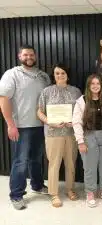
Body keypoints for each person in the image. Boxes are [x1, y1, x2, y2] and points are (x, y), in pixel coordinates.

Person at [0, 45, 50, 210]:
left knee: (36, 159)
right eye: (25, 54)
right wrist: (10, 125)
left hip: (40, 125)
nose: (29, 57)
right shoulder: (12, 74)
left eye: (31, 54)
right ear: (19, 56)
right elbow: (4, 99)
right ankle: (16, 195)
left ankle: (37, 185)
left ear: (35, 56)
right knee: (20, 162)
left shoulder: (43, 76)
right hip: (21, 127)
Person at [37, 63, 81, 207]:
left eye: (63, 73)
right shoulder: (46, 91)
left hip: (71, 133)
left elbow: (81, 111)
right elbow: (39, 111)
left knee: (71, 163)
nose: (60, 75)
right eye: (57, 73)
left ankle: (70, 189)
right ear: (53, 75)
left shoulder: (76, 91)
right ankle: (54, 193)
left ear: (67, 75)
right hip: (52, 133)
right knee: (54, 163)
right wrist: (49, 121)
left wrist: (74, 121)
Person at [72, 74, 102, 208]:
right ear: (88, 86)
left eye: (98, 84)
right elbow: (76, 122)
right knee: (89, 167)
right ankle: (90, 192)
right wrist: (80, 141)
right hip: (88, 136)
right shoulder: (81, 101)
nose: (96, 86)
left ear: (101, 86)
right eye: (93, 84)